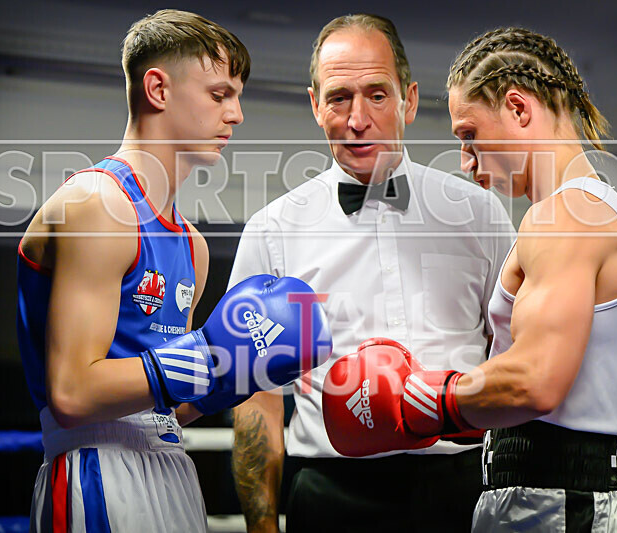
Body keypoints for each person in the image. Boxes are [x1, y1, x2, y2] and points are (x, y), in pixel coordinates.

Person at [322, 27, 617, 531]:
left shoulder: (563, 216)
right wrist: (468, 412)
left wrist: (418, 401)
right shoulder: (602, 211)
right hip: (568, 496)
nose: (467, 162)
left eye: (469, 136)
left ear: (519, 110)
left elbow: (533, 382)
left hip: (557, 506)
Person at [17, 10, 331, 532]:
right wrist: (209, 357)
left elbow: (161, 406)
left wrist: (231, 377)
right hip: (94, 469)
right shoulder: (96, 204)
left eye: (237, 96)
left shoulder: (192, 246)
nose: (237, 114)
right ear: (158, 89)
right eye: (219, 94)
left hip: (170, 469)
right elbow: (71, 393)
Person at [229, 14, 514, 533]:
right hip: (330, 491)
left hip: (462, 483)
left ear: (408, 99)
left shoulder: (479, 213)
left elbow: (515, 355)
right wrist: (262, 525)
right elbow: (257, 396)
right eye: (339, 97)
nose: (358, 117)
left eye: (377, 95)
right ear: (315, 104)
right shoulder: (273, 230)